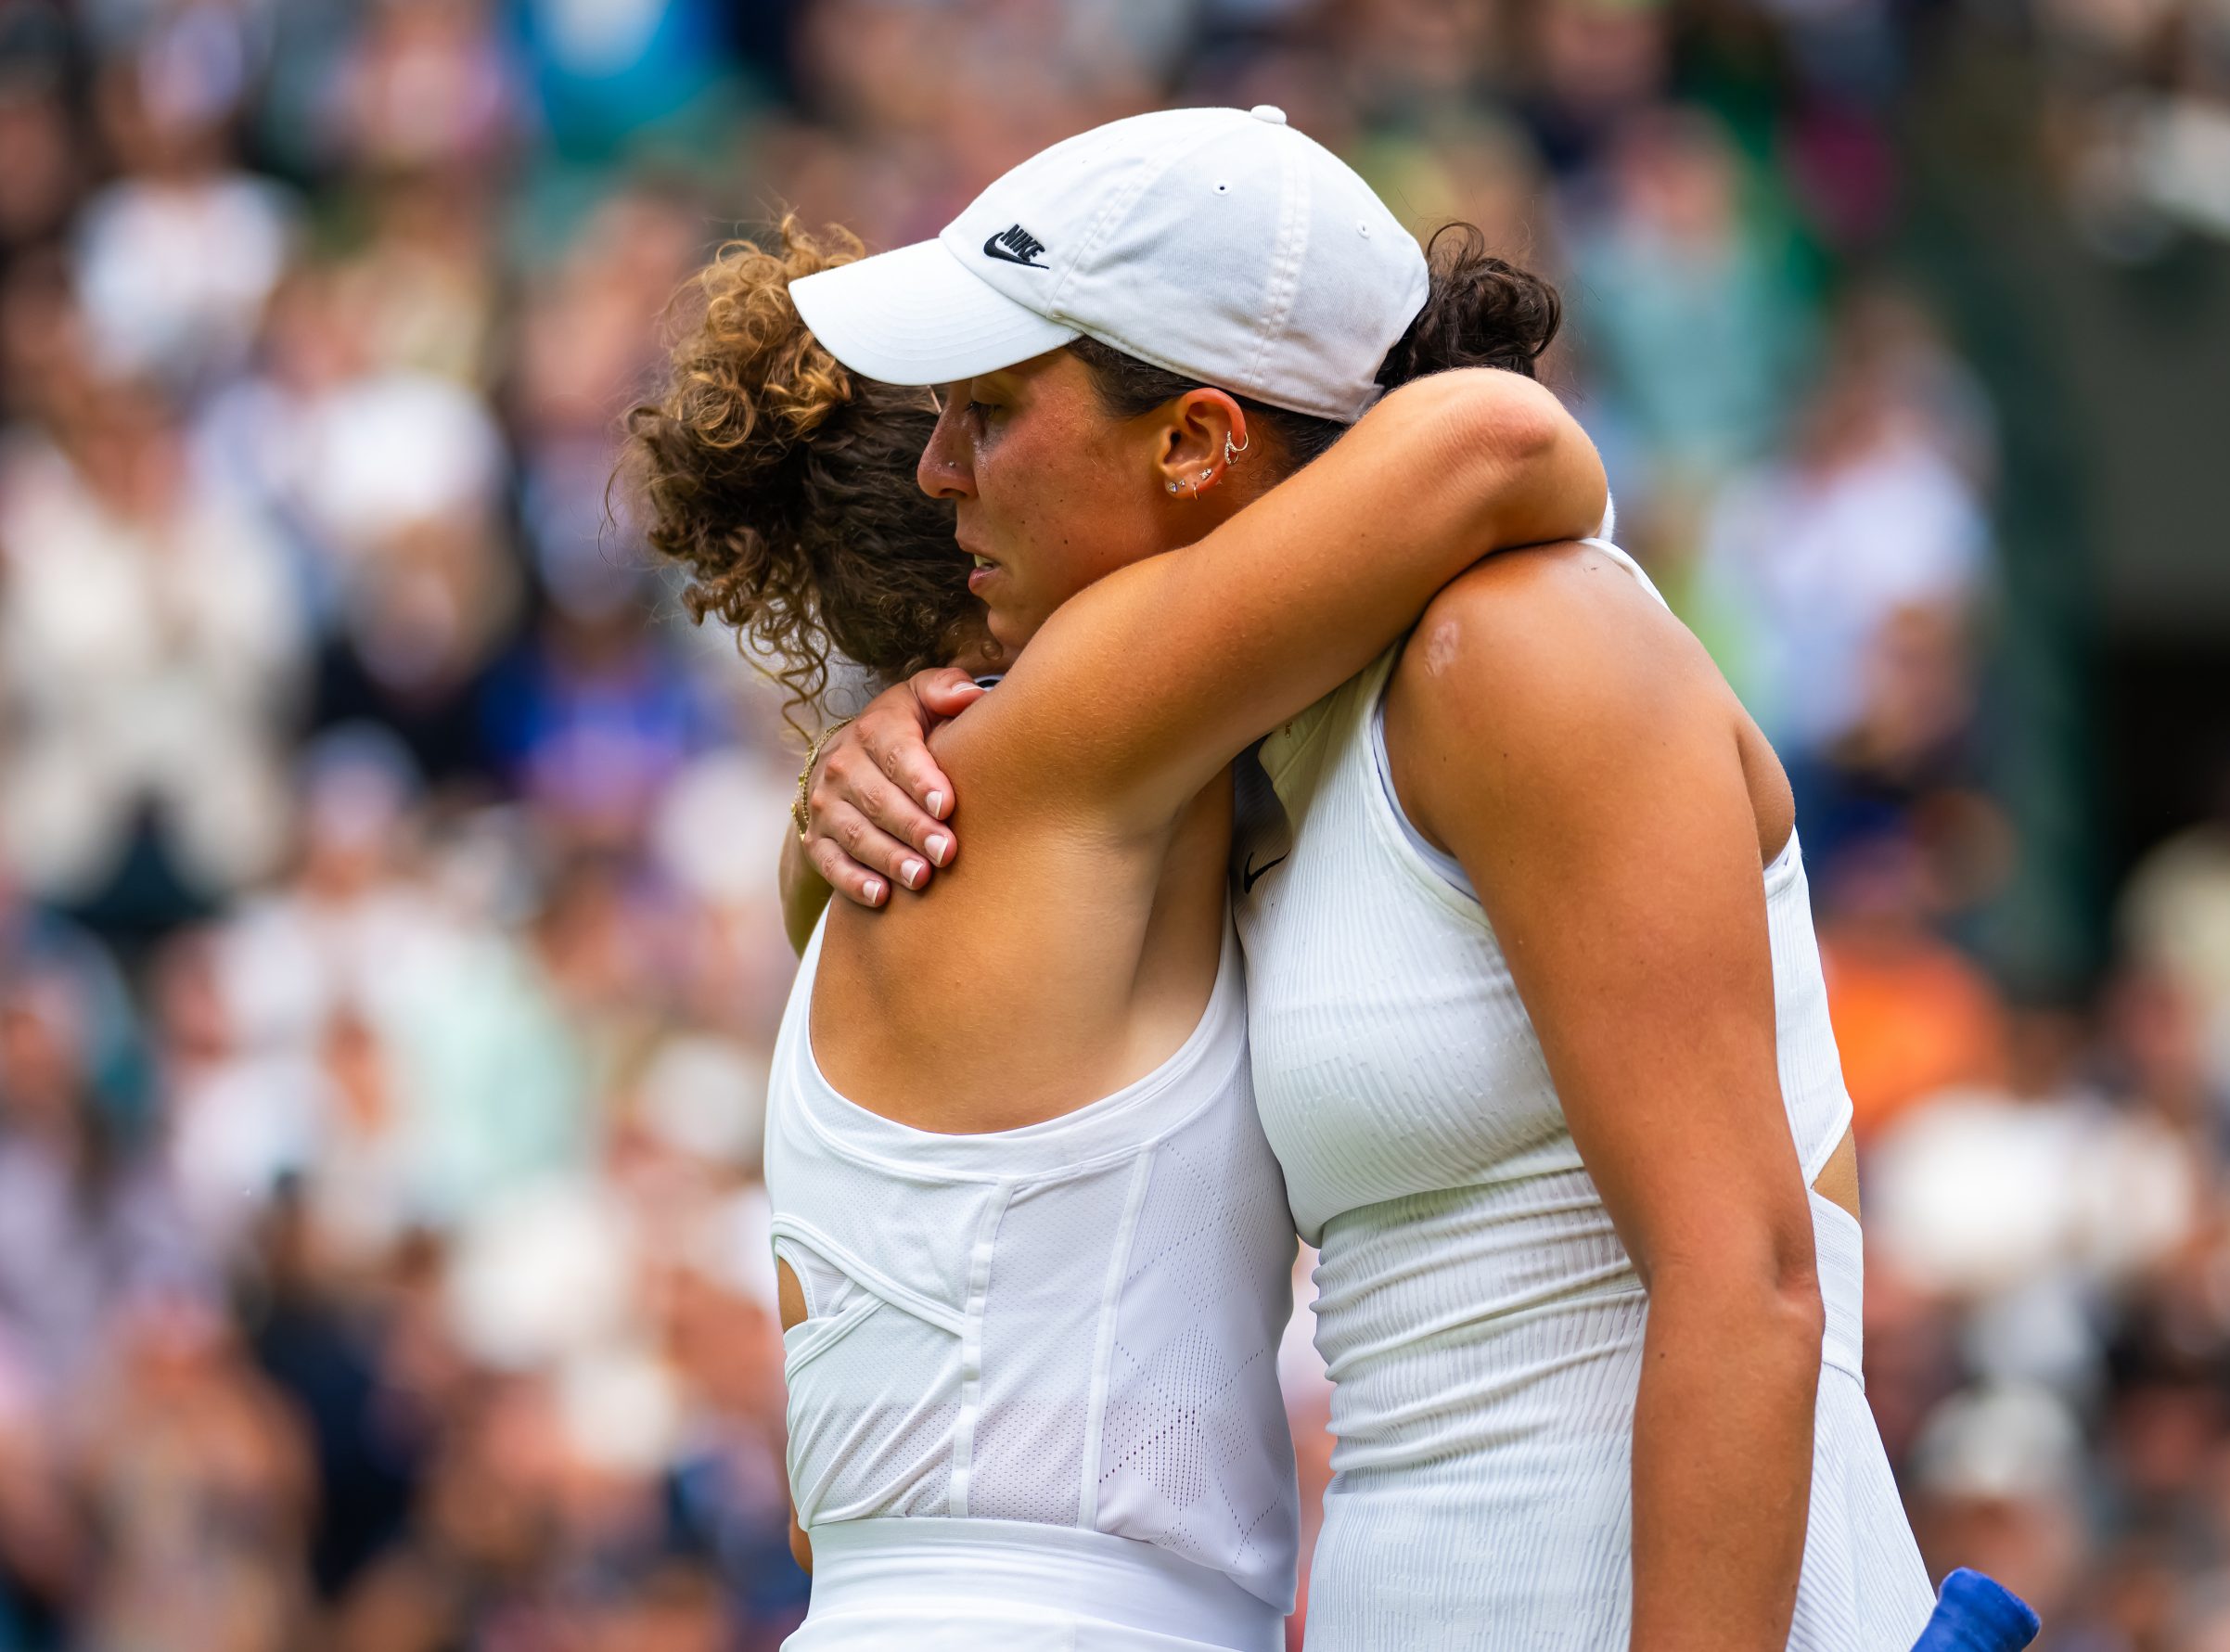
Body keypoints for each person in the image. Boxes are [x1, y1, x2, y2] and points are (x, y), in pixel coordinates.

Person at [794, 109, 1940, 1651]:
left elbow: (1751, 1287)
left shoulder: (1519, 647)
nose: (939, 473)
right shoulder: (1253, 769)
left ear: (1198, 440)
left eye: (989, 413)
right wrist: (856, 770)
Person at [624, 106, 1609, 1650]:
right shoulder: (1057, 733)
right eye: (960, 423)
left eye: (991, 415)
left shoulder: (952, 811)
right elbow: (1504, 441)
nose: (960, 462)